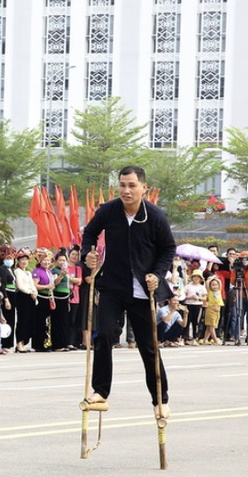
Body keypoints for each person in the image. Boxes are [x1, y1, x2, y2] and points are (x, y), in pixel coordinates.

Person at [82, 165, 176, 420]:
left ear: (143, 188)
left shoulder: (155, 216)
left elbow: (168, 249)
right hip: (112, 286)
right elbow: (89, 233)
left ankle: (160, 399)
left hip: (143, 291)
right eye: (122, 185)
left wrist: (156, 275)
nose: (126, 190)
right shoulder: (109, 211)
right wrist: (88, 255)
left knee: (148, 347)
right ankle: (100, 391)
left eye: (132, 185)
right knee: (103, 336)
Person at [13, 249, 36, 353]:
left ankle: (25, 342)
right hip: (22, 296)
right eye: (22, 260)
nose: (24, 262)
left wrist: (34, 293)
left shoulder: (28, 273)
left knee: (29, 321)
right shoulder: (17, 271)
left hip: (31, 297)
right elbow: (20, 286)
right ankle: (19, 343)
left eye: (26, 260)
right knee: (22, 320)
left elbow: (32, 285)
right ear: (18, 261)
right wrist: (29, 292)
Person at [183, 269, 206, 345]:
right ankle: (185, 337)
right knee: (187, 321)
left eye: (198, 277)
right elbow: (183, 296)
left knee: (196, 322)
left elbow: (205, 298)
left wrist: (198, 298)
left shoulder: (202, 287)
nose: (196, 278)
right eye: (194, 277)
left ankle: (195, 337)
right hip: (188, 304)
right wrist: (189, 297)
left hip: (197, 305)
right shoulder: (188, 286)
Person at [204, 275, 224, 345]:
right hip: (211, 310)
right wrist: (211, 278)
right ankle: (215, 340)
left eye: (216, 285)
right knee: (211, 326)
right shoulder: (209, 291)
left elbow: (220, 283)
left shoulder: (219, 291)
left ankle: (205, 339)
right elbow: (207, 283)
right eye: (212, 285)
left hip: (217, 311)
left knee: (210, 326)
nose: (214, 286)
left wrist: (216, 279)